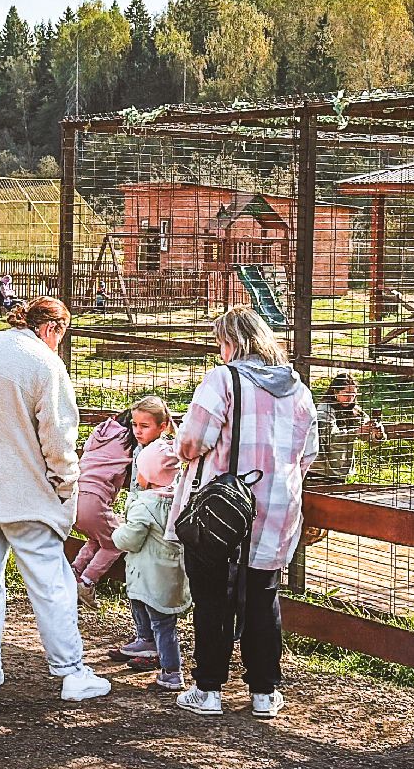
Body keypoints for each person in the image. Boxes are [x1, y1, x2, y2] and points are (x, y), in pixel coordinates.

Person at [0, 296, 110, 702]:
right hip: (23, 491)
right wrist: (66, 484)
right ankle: (70, 671)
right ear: (52, 329)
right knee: (51, 581)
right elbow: (59, 438)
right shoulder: (46, 364)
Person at [171, 306, 317, 719]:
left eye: (221, 343)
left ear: (232, 343)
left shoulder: (224, 379)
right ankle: (264, 692)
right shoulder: (298, 389)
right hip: (277, 507)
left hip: (223, 508)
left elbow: (193, 441)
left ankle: (209, 689)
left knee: (212, 595)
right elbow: (308, 453)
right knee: (263, 594)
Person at [111, 403, 190, 692]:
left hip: (150, 574)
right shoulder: (179, 500)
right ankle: (145, 641)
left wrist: (117, 533)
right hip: (167, 573)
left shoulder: (145, 503)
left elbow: (131, 538)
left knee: (163, 625)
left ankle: (172, 672)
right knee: (146, 607)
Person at [69, 408, 136, 603]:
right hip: (93, 502)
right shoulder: (126, 441)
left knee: (99, 537)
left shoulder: (102, 432)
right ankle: (87, 582)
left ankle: (74, 571)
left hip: (74, 499)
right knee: (116, 543)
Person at [311, 373, 383, 485]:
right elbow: (330, 438)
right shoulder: (324, 409)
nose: (350, 398)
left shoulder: (355, 410)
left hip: (340, 468)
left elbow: (369, 439)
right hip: (320, 468)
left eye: (353, 394)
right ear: (335, 392)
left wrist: (376, 434)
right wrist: (356, 431)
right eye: (346, 394)